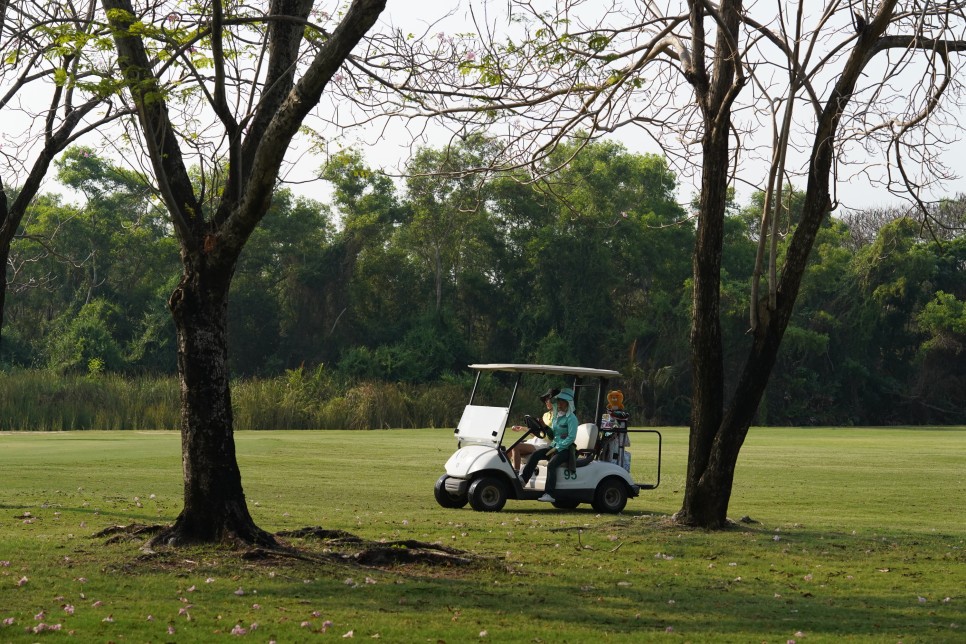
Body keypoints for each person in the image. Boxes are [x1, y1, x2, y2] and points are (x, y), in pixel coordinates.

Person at [519, 387, 579, 503]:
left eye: (561, 401)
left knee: (552, 464)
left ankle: (549, 493)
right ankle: (523, 479)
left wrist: (558, 448)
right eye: (559, 401)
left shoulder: (572, 419)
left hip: (566, 450)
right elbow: (552, 435)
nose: (559, 403)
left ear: (567, 403)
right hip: (554, 447)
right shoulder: (557, 417)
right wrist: (545, 427)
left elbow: (571, 438)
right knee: (536, 454)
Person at [507, 388, 559, 471]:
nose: (546, 402)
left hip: (546, 445)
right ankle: (505, 472)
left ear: (554, 401)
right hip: (536, 441)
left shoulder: (559, 417)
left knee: (515, 447)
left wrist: (545, 427)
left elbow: (553, 436)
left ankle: (515, 475)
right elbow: (539, 434)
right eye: (545, 400)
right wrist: (522, 428)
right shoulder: (545, 415)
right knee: (509, 449)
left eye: (547, 400)